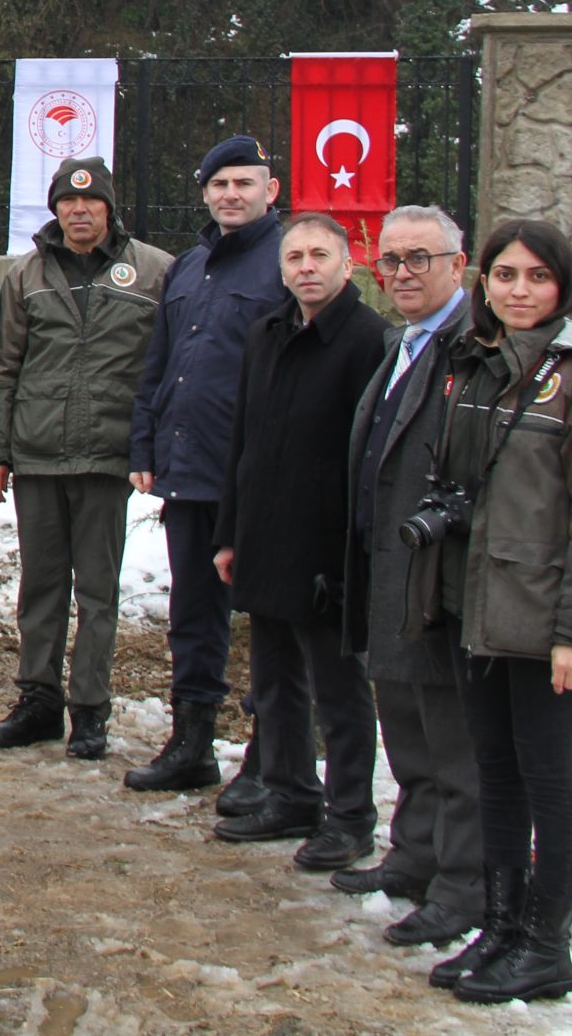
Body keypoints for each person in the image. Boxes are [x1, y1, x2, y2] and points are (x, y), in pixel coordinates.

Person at [411, 218, 572, 1006]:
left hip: (544, 619)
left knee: (548, 776)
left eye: (536, 277)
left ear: (563, 284)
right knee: (497, 773)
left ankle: (548, 943)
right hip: (479, 604)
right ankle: (502, 924)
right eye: (505, 275)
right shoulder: (479, 364)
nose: (517, 290)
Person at [0, 157, 172, 759]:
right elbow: (5, 367)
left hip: (108, 458)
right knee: (40, 588)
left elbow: (165, 370)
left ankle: (90, 710)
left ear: (110, 208)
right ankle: (38, 699)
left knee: (98, 592)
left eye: (91, 203)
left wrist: (153, 447)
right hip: (37, 454)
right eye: (67, 202)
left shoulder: (154, 271)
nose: (79, 211)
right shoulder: (27, 274)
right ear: (55, 209)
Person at [211, 212, 388, 872]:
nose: (306, 267)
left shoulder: (368, 340)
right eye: (294, 257)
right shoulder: (267, 333)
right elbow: (243, 442)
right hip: (266, 535)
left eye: (319, 255)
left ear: (347, 264)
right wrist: (230, 532)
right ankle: (288, 791)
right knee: (275, 679)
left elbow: (367, 458)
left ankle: (350, 815)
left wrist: (352, 550)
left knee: (339, 691)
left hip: (328, 547)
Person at [124, 135, 285, 794]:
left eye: (244, 183)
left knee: (273, 618)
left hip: (259, 472)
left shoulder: (288, 261)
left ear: (269, 190)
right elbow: (158, 364)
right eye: (220, 185)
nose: (231, 194)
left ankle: (273, 756)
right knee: (193, 611)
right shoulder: (188, 266)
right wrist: (145, 443)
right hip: (190, 467)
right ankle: (192, 741)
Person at [340, 205, 483, 947]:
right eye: (389, 260)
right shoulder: (400, 341)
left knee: (454, 739)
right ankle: (416, 854)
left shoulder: (475, 350)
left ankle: (464, 885)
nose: (400, 273)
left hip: (441, 579)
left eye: (418, 259)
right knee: (406, 725)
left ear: (458, 266)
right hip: (388, 568)